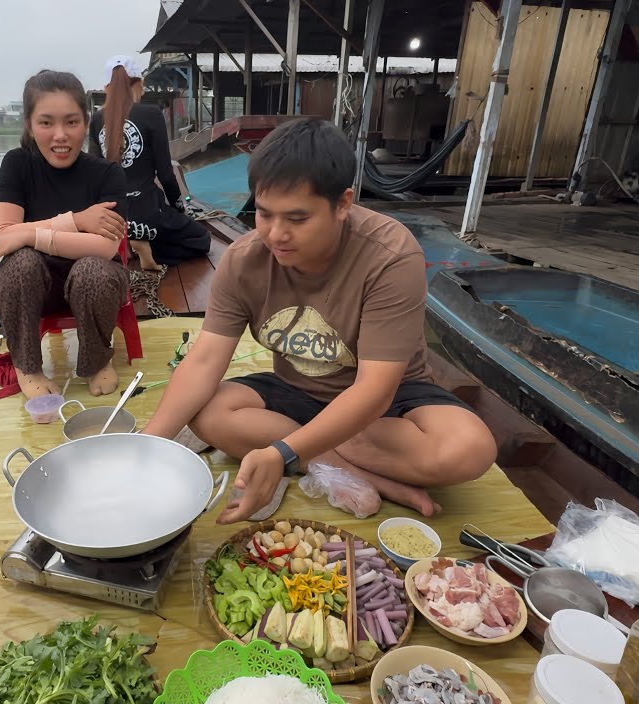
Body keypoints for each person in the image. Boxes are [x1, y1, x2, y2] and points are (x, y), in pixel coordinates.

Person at [141, 119, 497, 524]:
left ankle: (310, 451)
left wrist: (281, 451)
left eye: (297, 219)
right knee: (206, 412)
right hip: (297, 390)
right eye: (264, 214)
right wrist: (145, 448)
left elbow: (375, 389)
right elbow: (204, 360)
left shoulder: (390, 256)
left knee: (469, 449)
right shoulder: (243, 262)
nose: (276, 235)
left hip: (385, 403)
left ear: (343, 204)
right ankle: (347, 469)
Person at [0, 70, 128, 399]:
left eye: (71, 122)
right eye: (46, 123)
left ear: (85, 122)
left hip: (94, 286)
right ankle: (27, 368)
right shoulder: (17, 164)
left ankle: (98, 361)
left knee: (93, 270)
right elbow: (3, 235)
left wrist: (29, 235)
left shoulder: (107, 174)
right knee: (20, 264)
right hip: (37, 288)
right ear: (29, 125)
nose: (60, 135)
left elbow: (105, 248)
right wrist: (77, 220)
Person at [89, 55, 211, 270]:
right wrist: (179, 208)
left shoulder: (97, 119)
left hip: (114, 220)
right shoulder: (151, 114)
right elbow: (166, 175)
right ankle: (149, 247)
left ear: (107, 87)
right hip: (147, 213)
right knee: (201, 239)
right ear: (138, 84)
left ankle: (128, 243)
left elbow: (94, 175)